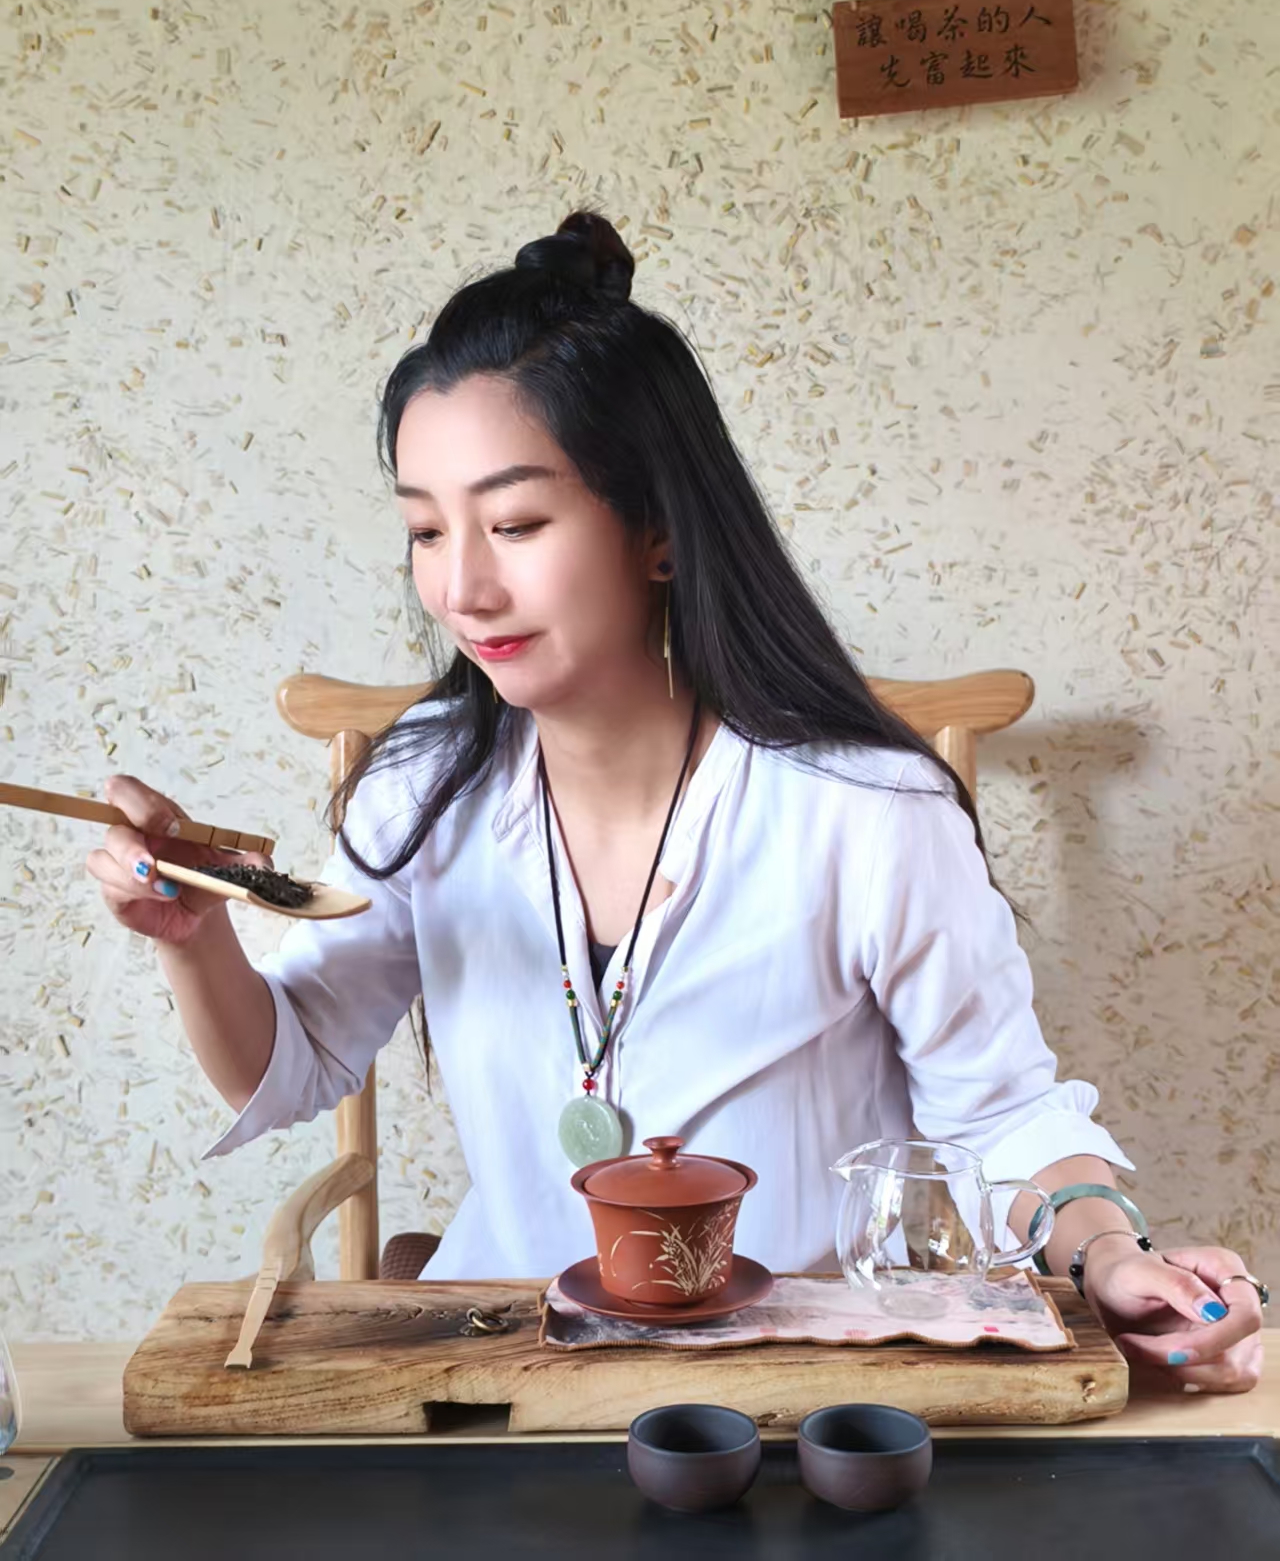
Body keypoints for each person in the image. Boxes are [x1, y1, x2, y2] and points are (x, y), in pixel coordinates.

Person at [89, 212, 1264, 1393]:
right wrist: (194, 937)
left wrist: (1111, 1252)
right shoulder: (422, 786)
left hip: (794, 1383)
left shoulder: (865, 807)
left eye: (515, 523)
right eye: (425, 530)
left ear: (656, 528)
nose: (461, 586)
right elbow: (291, 1061)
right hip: (506, 1366)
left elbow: (1000, 1114)